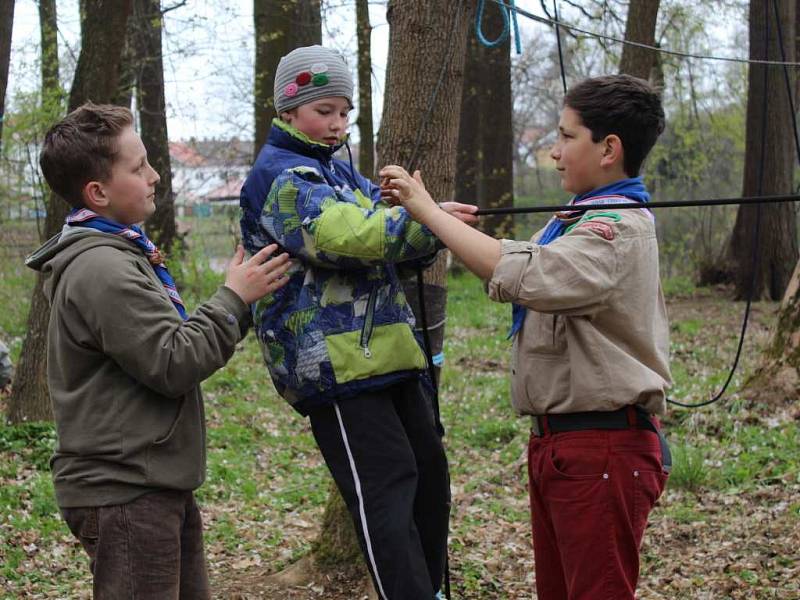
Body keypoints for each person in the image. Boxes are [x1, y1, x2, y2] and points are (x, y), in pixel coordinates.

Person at [380, 74, 672, 600]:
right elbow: (509, 267)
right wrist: (443, 223)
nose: (555, 152)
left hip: (601, 446)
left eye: (566, 137)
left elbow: (524, 275)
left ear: (609, 149)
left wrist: (424, 210)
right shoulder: (576, 221)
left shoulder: (613, 230)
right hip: (563, 446)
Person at [239, 45, 476, 600]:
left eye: (345, 113)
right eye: (324, 111)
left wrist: (433, 221)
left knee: (429, 477)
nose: (337, 124)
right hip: (333, 365)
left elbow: (394, 231)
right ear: (288, 109)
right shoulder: (278, 176)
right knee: (385, 487)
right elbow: (346, 236)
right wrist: (430, 223)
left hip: (388, 351)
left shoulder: (340, 170)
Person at [28, 102, 291, 599]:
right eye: (138, 167)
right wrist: (234, 298)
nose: (154, 175)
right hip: (125, 492)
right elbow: (173, 362)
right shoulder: (102, 268)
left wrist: (244, 301)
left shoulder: (118, 251)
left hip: (148, 483)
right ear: (98, 191)